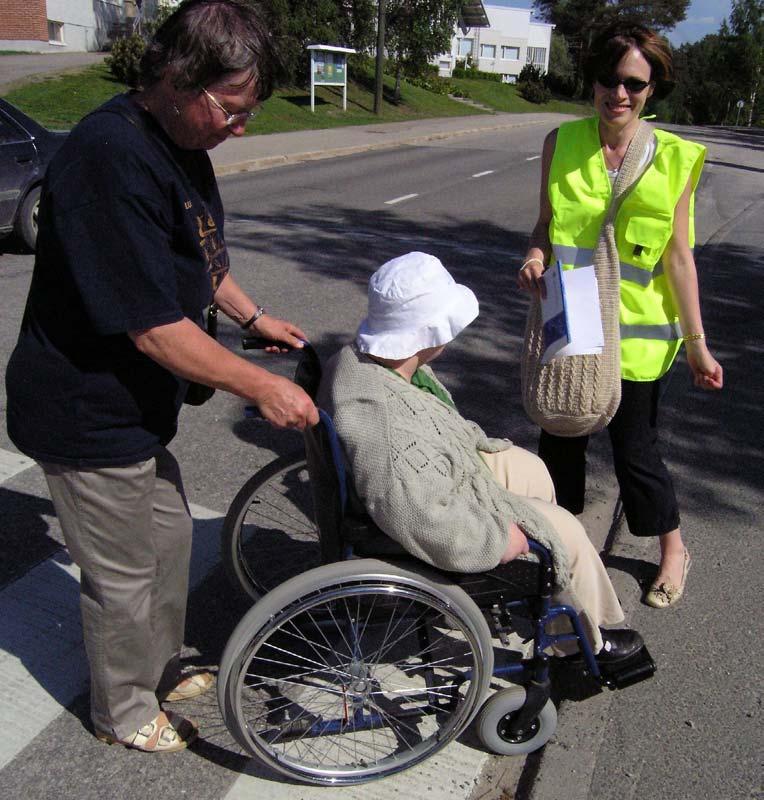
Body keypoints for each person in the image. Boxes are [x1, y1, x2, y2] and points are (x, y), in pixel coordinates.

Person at [5, 0, 318, 753]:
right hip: (86, 409)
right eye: (232, 109)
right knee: (120, 575)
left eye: (250, 114)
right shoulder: (109, 159)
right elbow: (152, 328)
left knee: (171, 540)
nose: (239, 127)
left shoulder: (181, 143)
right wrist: (261, 385)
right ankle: (122, 709)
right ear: (179, 77)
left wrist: (253, 316)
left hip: (136, 410)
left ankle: (161, 661)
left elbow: (198, 256)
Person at [318, 251, 645, 665]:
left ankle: (545, 596)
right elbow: (416, 512)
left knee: (530, 470)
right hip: (419, 512)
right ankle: (582, 647)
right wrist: (496, 539)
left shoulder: (375, 364)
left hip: (439, 471)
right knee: (563, 534)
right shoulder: (382, 422)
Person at [517, 23, 723, 609]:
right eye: (608, 79)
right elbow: (545, 225)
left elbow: (679, 259)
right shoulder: (563, 142)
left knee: (636, 451)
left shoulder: (676, 159)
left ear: (652, 88)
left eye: (634, 82)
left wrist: (698, 344)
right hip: (572, 325)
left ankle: (673, 549)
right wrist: (535, 255)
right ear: (594, 81)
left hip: (638, 339)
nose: (619, 93)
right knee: (559, 441)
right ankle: (563, 552)